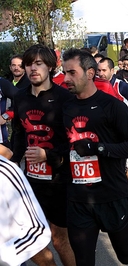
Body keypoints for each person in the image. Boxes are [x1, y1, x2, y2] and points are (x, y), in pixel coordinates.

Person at [62, 48, 128, 266]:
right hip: (79, 198)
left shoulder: (112, 106)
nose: (66, 78)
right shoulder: (65, 106)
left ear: (90, 73)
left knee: (126, 256)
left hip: (111, 194)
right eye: (64, 72)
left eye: (72, 73)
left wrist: (99, 148)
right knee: (83, 260)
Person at [11, 44, 76, 266]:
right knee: (31, 242)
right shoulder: (20, 97)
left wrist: (48, 155)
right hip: (30, 182)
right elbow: (19, 134)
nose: (32, 69)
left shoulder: (65, 98)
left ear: (50, 66)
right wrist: (11, 164)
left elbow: (74, 142)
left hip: (59, 180)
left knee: (59, 240)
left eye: (38, 63)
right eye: (28, 64)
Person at [97, 57, 128, 204]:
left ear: (112, 71)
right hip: (104, 131)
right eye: (98, 70)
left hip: (121, 133)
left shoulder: (120, 85)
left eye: (104, 70)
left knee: (122, 167)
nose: (100, 74)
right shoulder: (94, 85)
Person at [0, 147, 52, 266]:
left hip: (8, 256)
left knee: (60, 240)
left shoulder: (5, 170)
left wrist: (3, 256)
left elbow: (37, 229)